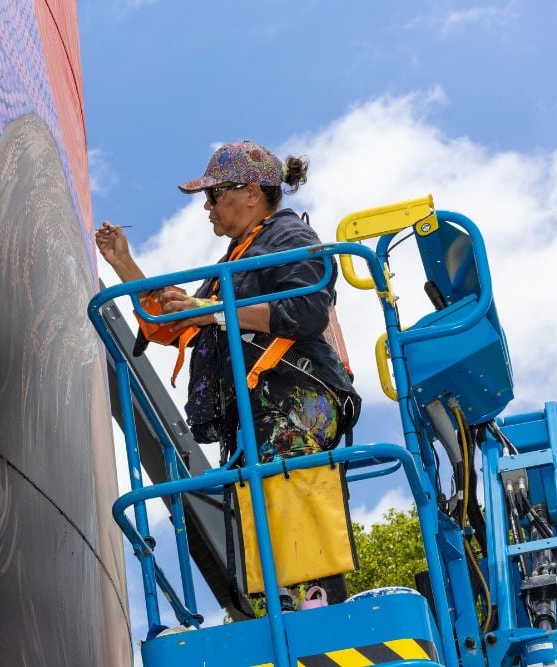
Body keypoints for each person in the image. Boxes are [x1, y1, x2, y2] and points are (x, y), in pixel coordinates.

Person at [96, 140, 360, 614]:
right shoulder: (235, 261)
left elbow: (306, 309)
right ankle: (292, 607)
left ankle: (316, 607)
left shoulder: (287, 238)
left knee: (288, 496)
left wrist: (214, 308)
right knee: (264, 513)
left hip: (295, 397)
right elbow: (177, 323)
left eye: (214, 196)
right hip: (256, 415)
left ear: (252, 193)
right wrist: (123, 265)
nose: (207, 207)